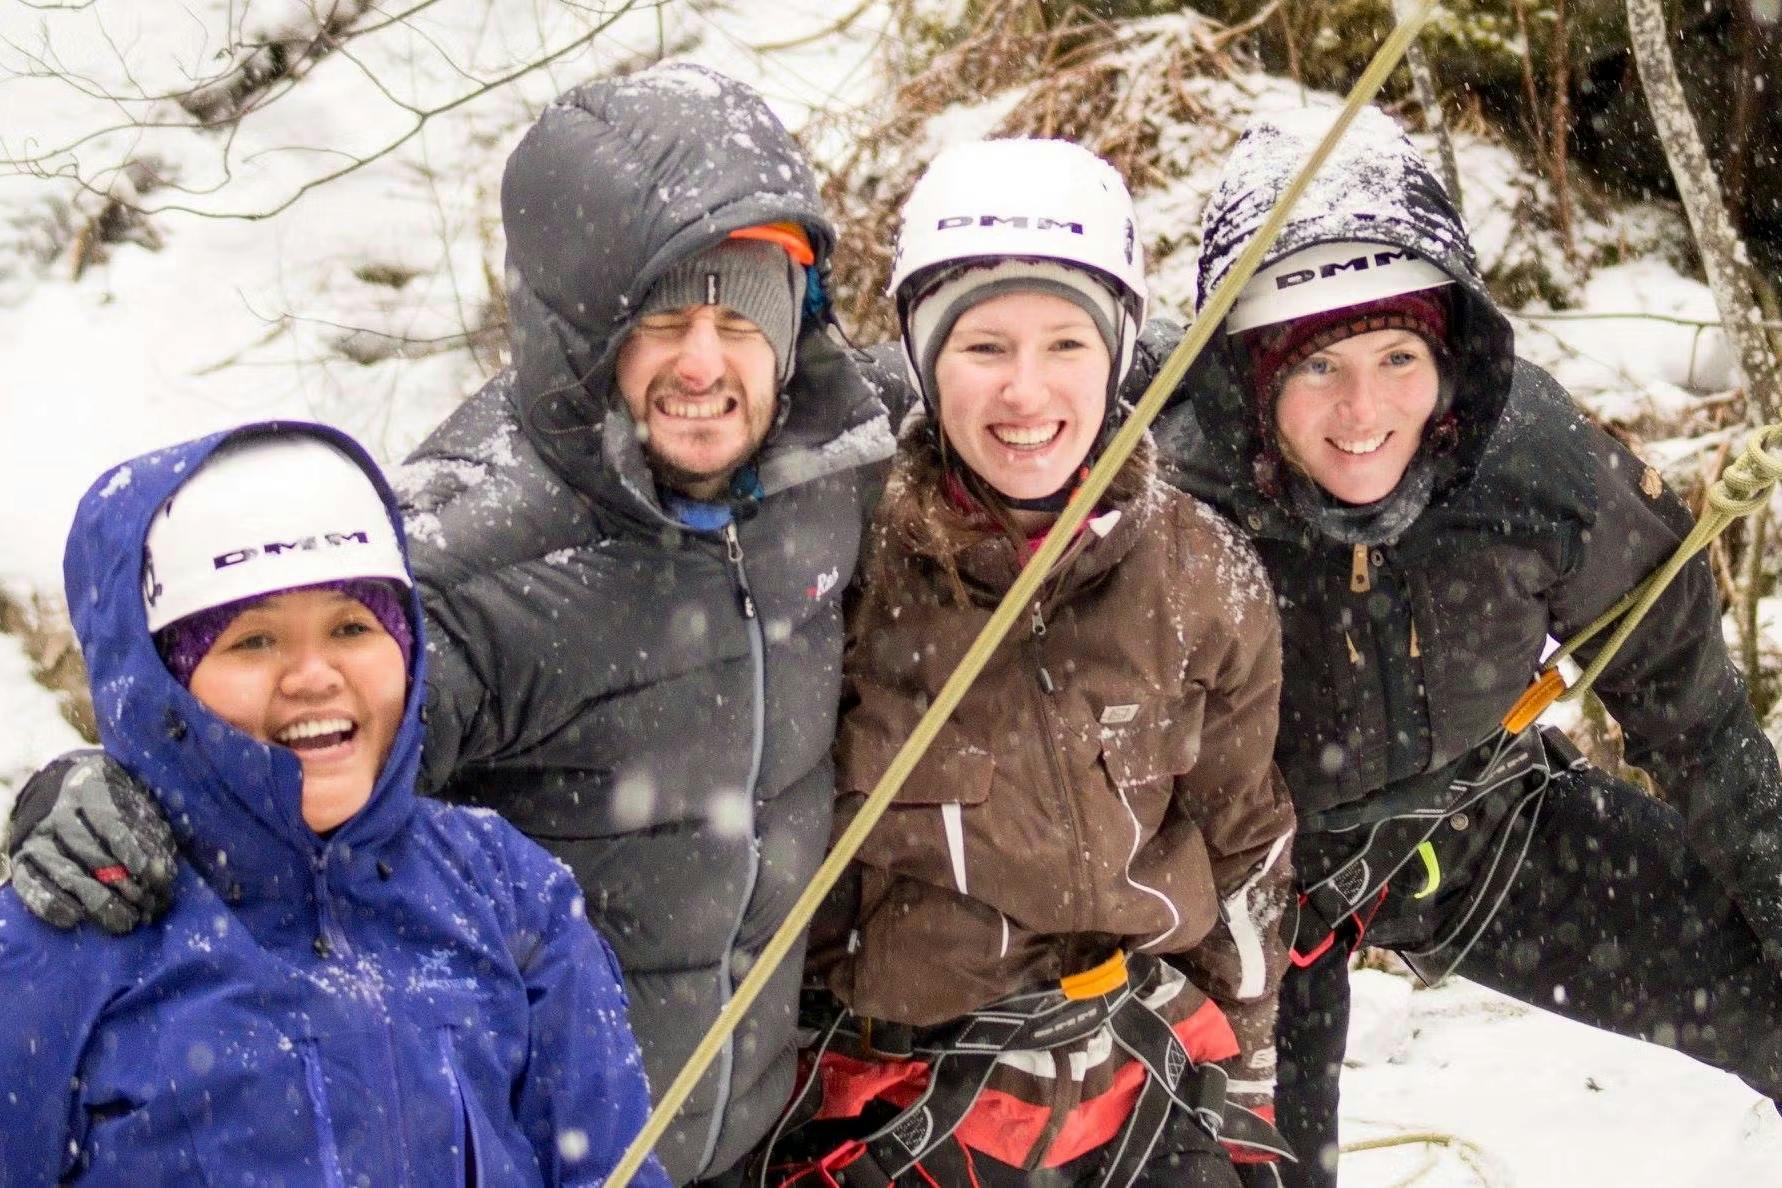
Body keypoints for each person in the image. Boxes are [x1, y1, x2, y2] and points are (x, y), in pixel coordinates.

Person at [4, 65, 896, 1186]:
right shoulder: (470, 558)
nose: (706, 363)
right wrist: (96, 793)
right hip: (575, 1146)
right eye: (662, 320)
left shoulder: (830, 464)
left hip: (768, 1130)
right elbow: (278, 771)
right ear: (581, 331)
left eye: (741, 316)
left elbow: (1019, 391)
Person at [1145, 105, 1782, 1186]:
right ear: (1245, 374)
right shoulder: (1156, 485)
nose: (1365, 412)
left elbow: (1701, 730)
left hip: (1473, 827)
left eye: (1399, 354)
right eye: (1315, 366)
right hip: (1242, 896)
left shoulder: (1530, 468)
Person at [766, 139, 1297, 1187]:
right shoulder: (847, 570)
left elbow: (1243, 838)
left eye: (1066, 344)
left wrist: (1248, 1070)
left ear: (1118, 358)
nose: (1025, 392)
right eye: (982, 347)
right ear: (923, 360)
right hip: (908, 1102)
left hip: (1142, 1071)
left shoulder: (1200, 574)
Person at [0, 423, 669, 1186]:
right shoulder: (61, 943)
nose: (314, 675)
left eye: (353, 627)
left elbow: (607, 1164)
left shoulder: (510, 892)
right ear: (160, 691)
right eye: (253, 641)